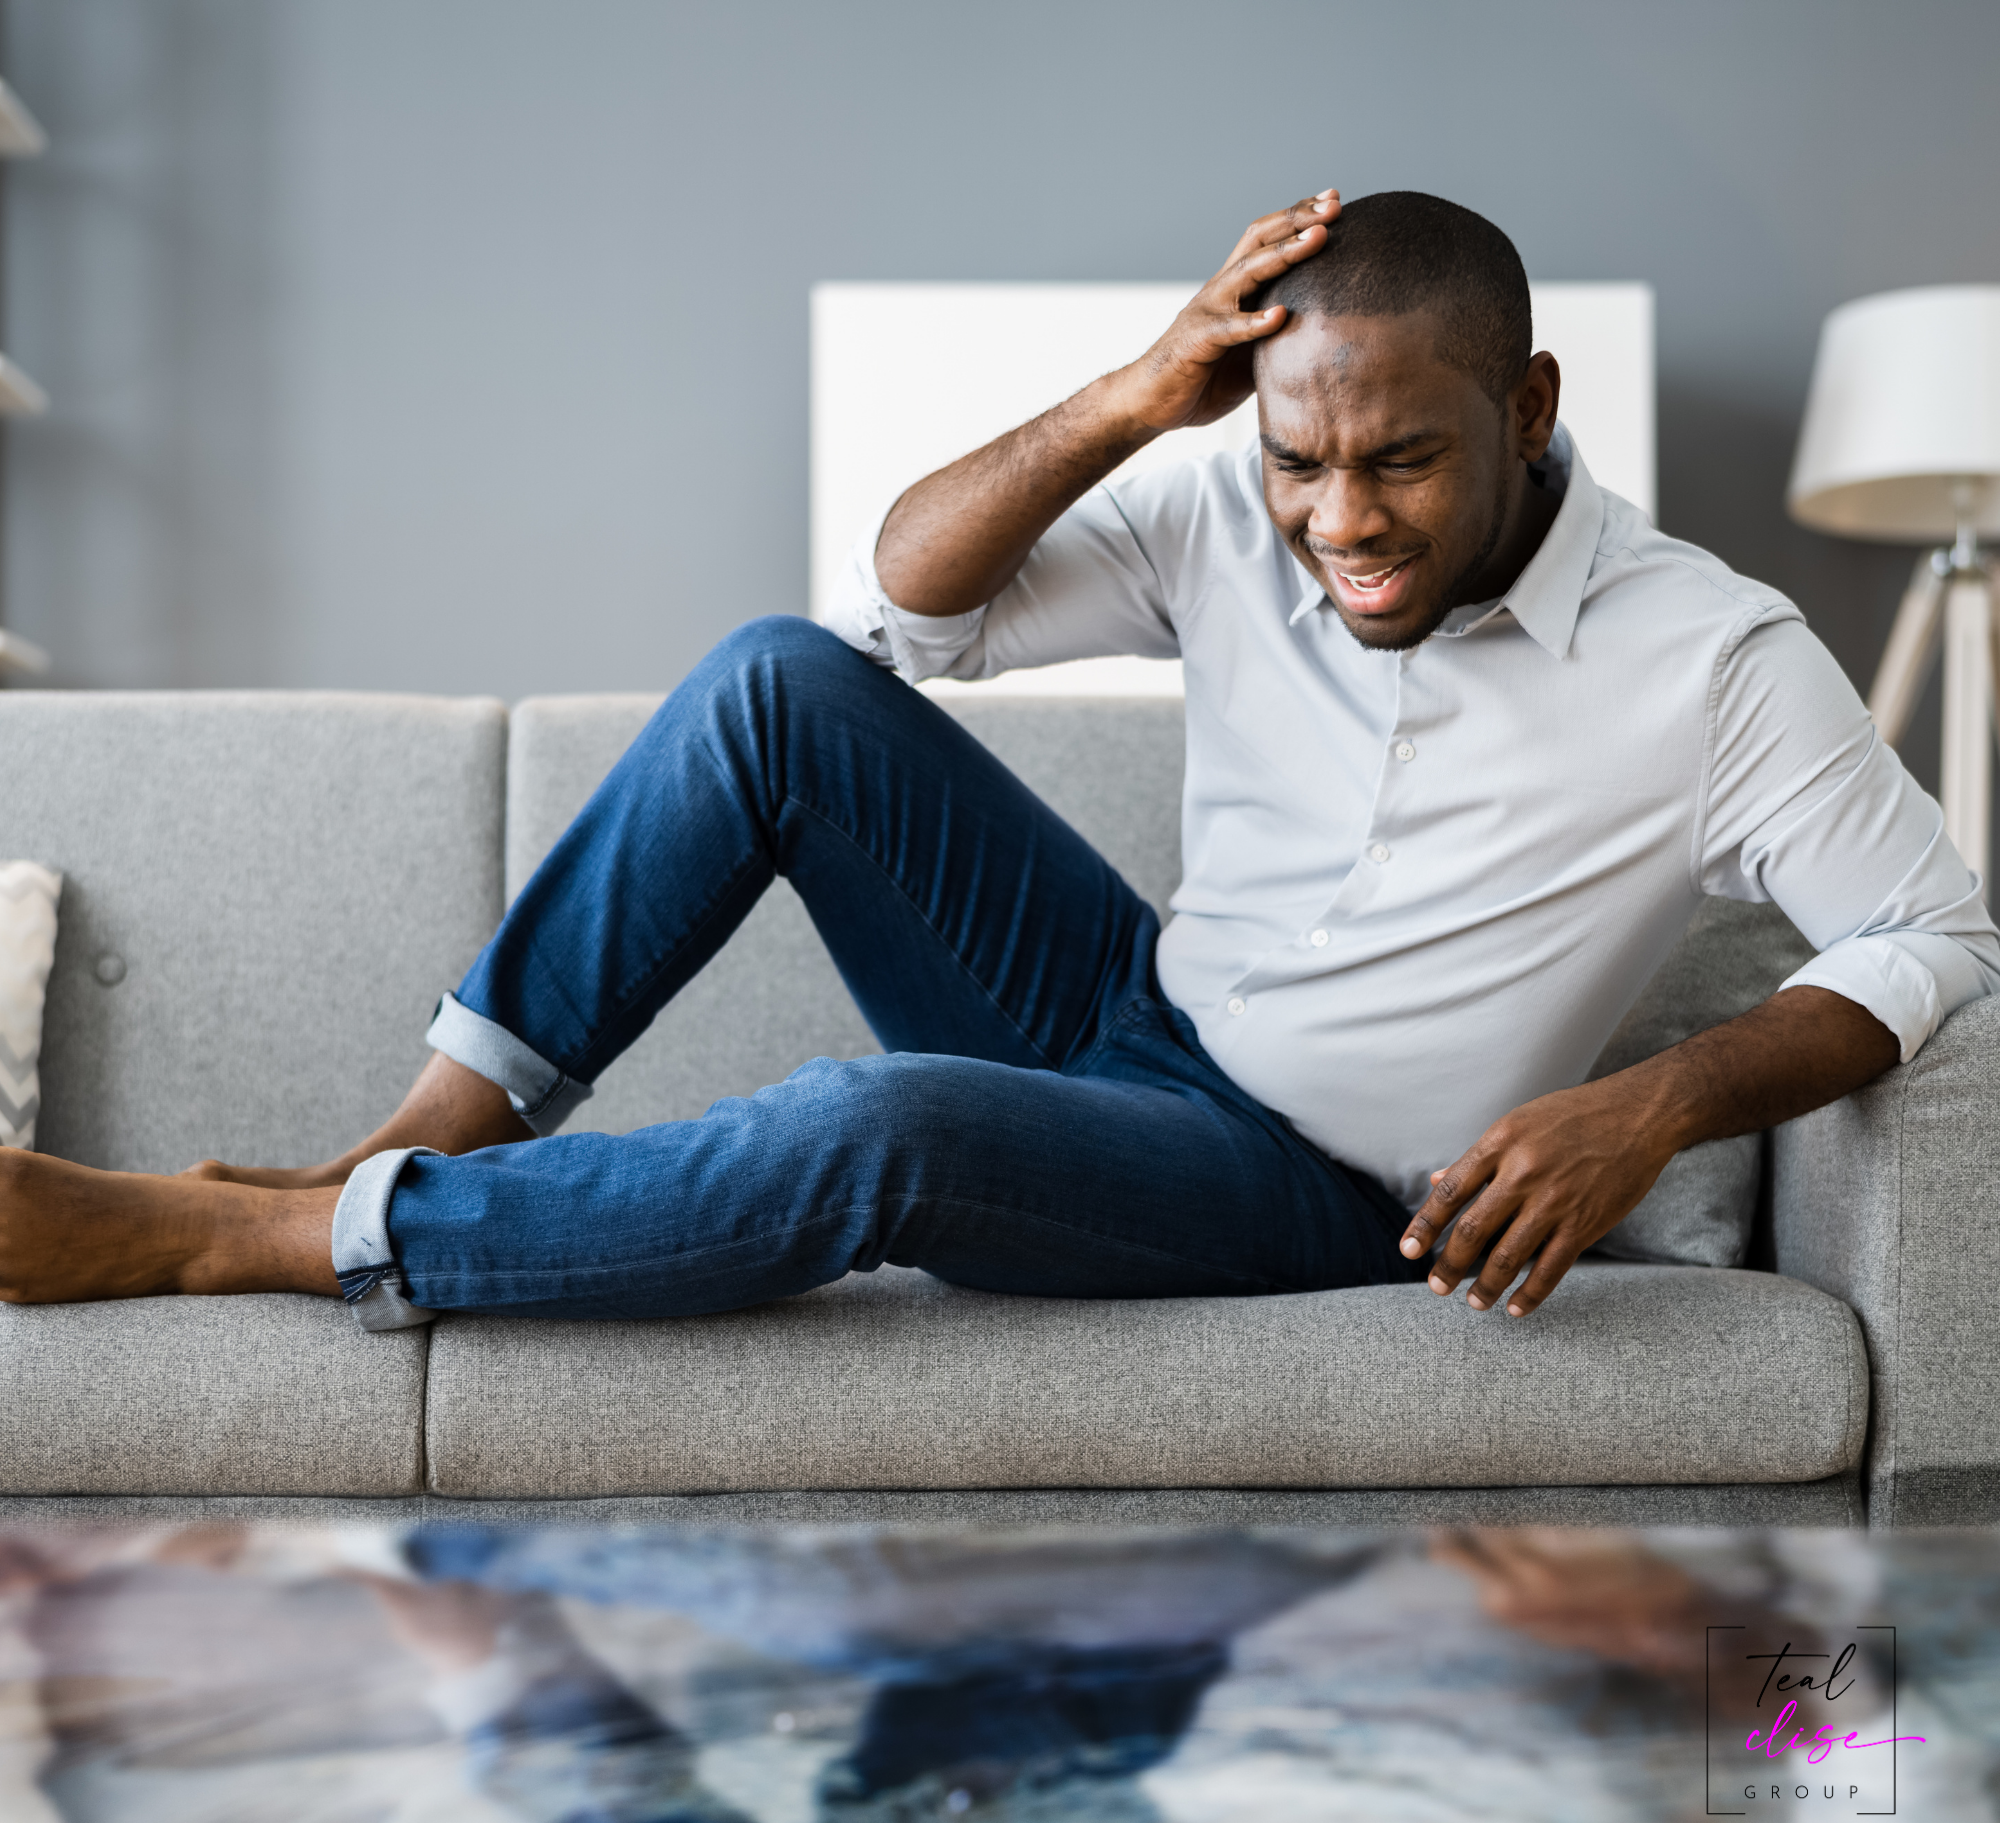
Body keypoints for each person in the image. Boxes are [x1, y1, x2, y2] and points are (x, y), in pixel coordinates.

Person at [2, 189, 1994, 1326]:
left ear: (1529, 406)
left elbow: (1933, 936)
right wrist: (1134, 401)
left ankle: (250, 1235)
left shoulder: (1713, 658)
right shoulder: (1230, 503)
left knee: (892, 1126)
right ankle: (413, 1144)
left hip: (1298, 1189)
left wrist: (1652, 1102)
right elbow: (902, 608)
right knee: (779, 680)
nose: (1341, 521)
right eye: (1299, 461)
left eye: (1399, 461)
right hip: (1130, 1007)